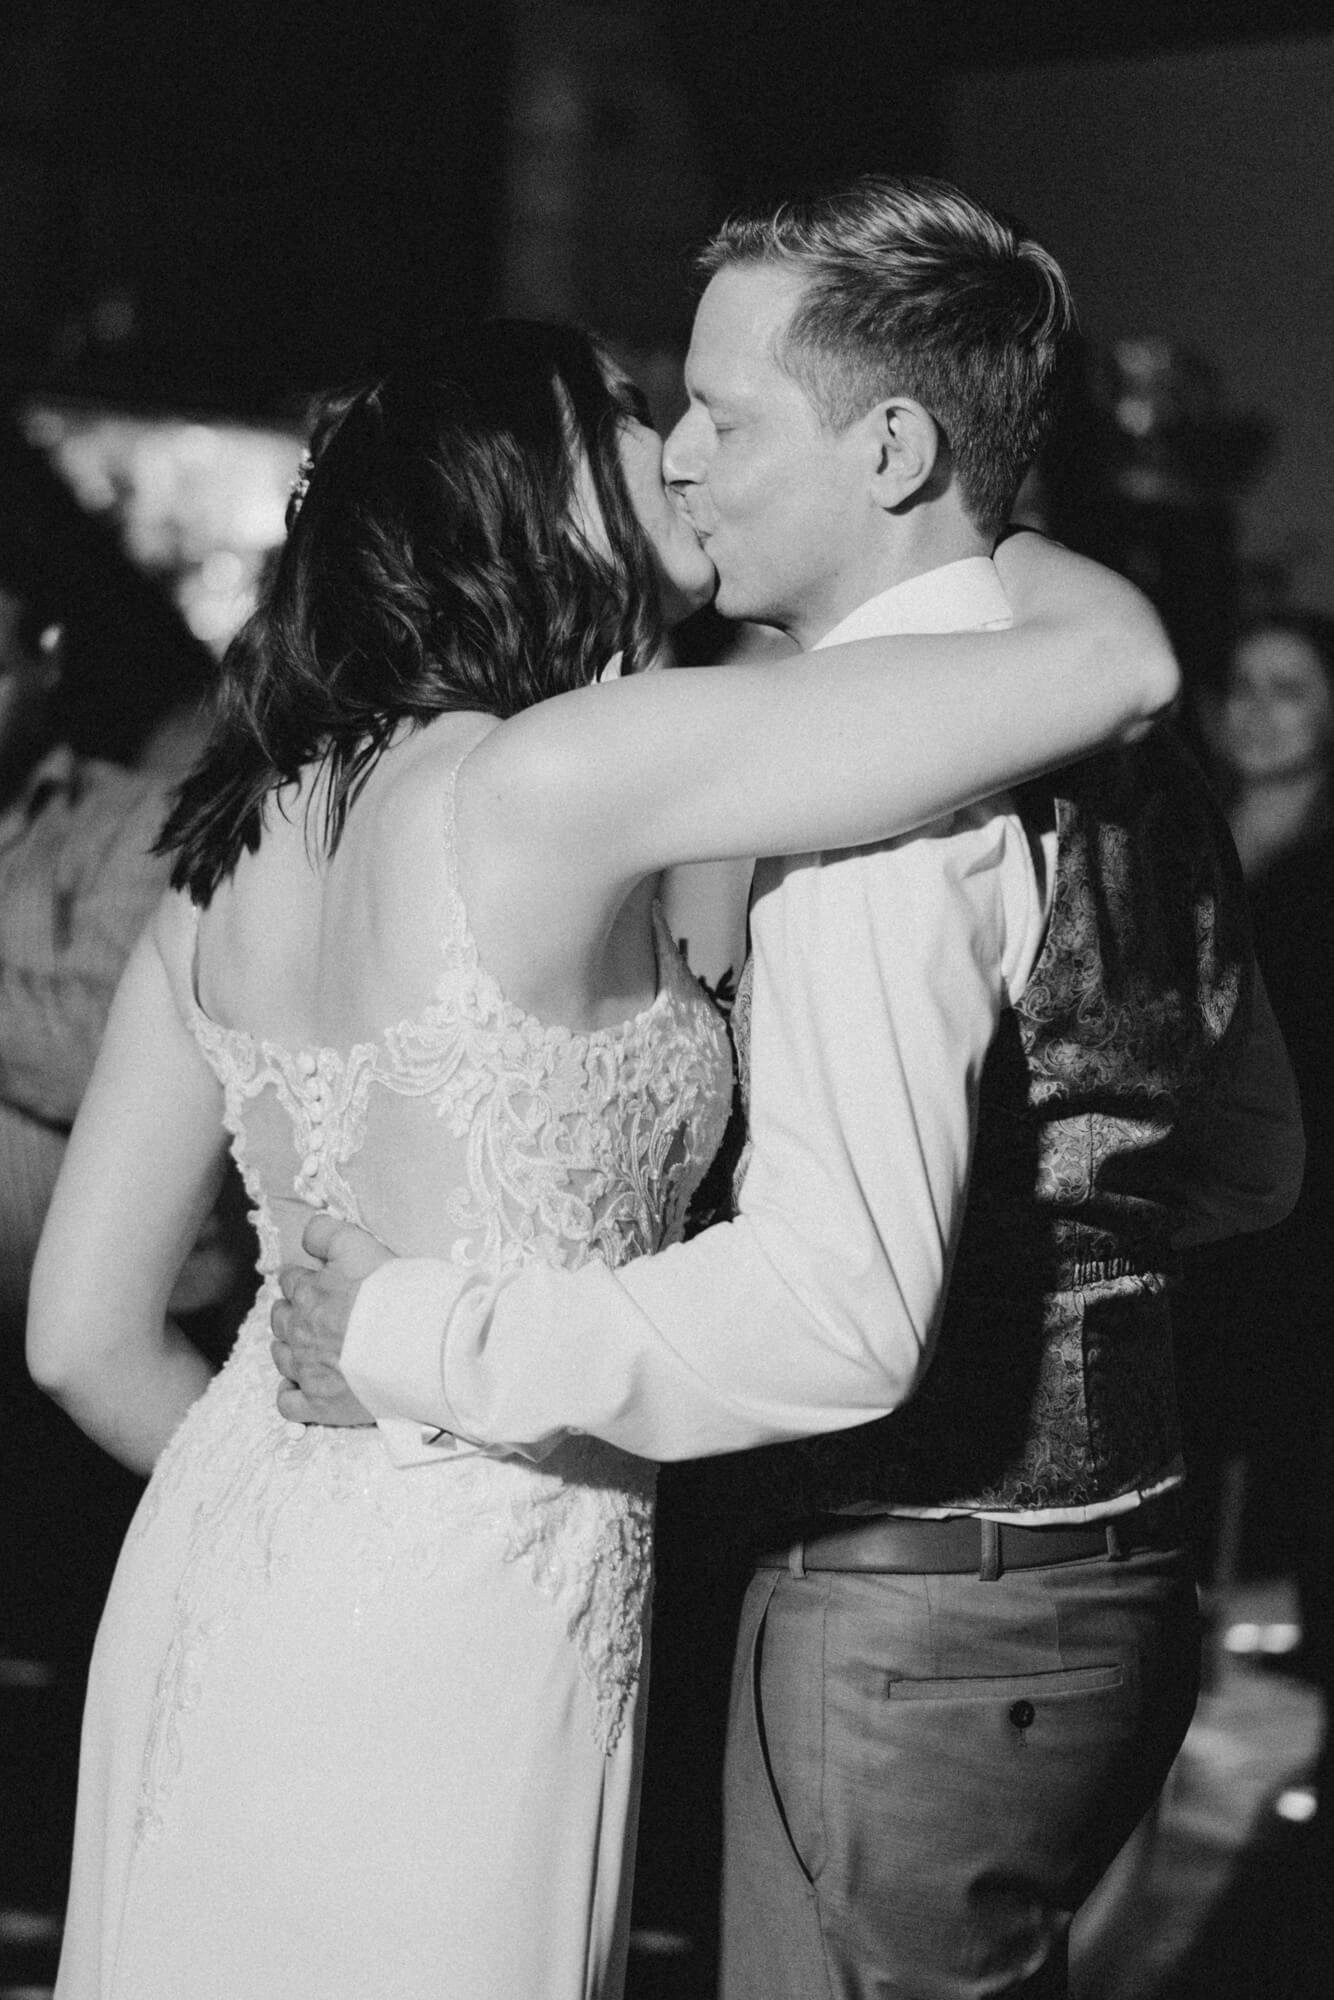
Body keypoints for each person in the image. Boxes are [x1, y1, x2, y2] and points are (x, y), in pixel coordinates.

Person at [28, 308, 1172, 2000]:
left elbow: (79, 1337)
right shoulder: (552, 775)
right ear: (540, 490)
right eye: (631, 418)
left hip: (227, 1544)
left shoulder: (226, 845)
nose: (679, 451)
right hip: (471, 1583)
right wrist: (968, 511)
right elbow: (1116, 666)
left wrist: (311, 1494)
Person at [270, 180, 1304, 1999]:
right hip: (1115, 1593)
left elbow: (836, 1320)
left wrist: (423, 1331)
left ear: (889, 444)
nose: (677, 459)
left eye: (722, 416)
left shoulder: (868, 816)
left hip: (915, 1609)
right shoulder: (1115, 747)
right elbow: (1246, 1161)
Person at [1183, 612, 1334, 1826]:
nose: (1258, 708)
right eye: (1242, 683)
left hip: (1300, 1189)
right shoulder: (1185, 832)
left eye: (1289, 687)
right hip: (1182, 1175)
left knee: (1274, 1426)